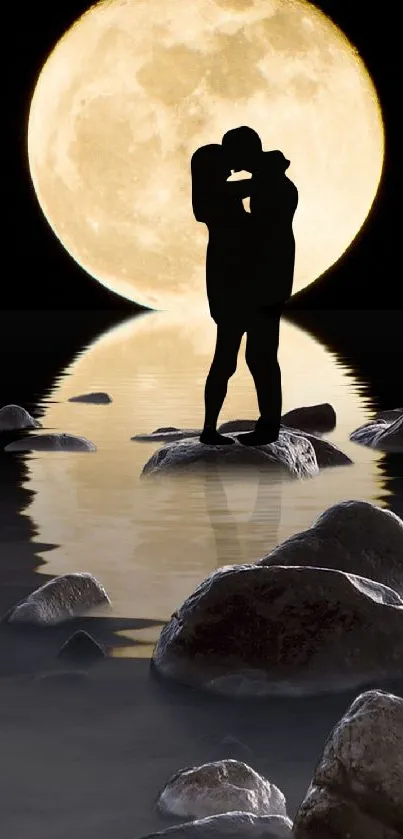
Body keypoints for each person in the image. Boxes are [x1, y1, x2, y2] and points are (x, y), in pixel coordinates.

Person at [219, 126, 298, 446]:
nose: (229, 161)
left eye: (232, 153)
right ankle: (269, 424)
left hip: (268, 279)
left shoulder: (269, 183)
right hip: (271, 277)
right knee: (261, 355)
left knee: (261, 356)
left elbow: (262, 227)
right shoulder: (267, 178)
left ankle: (269, 428)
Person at [191, 143, 253, 446]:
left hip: (233, 283)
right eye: (223, 165)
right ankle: (209, 428)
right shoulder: (212, 197)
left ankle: (210, 428)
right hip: (229, 286)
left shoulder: (218, 195)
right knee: (225, 361)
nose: (229, 169)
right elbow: (249, 186)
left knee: (231, 360)